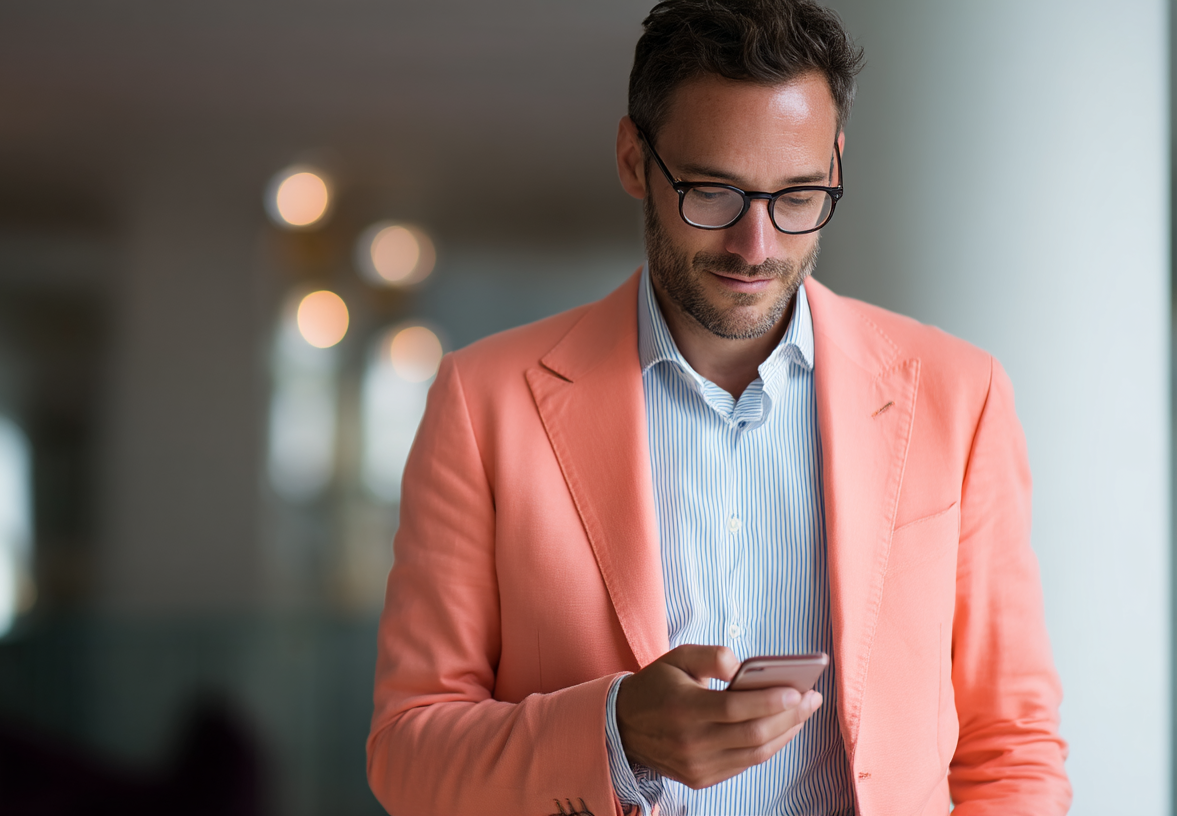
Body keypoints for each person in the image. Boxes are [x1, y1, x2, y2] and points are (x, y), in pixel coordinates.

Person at [366, 0, 1070, 813]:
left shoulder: (959, 395)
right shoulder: (482, 404)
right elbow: (409, 751)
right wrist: (616, 734)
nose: (756, 246)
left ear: (836, 164)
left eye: (798, 195)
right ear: (635, 159)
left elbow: (1012, 748)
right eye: (714, 192)